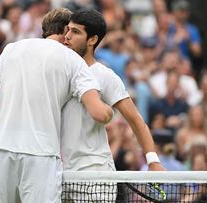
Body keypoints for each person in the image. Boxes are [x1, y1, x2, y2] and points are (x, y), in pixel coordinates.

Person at [0, 8, 113, 203]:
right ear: (66, 31)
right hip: (41, 158)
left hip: (0, 154)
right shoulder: (73, 60)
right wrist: (109, 112)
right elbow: (99, 113)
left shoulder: (11, 49)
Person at [61, 9, 165, 201]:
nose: (67, 36)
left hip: (94, 175)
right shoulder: (55, 72)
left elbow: (136, 120)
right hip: (59, 175)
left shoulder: (105, 75)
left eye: (75, 32)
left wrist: (153, 161)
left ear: (92, 40)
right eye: (67, 30)